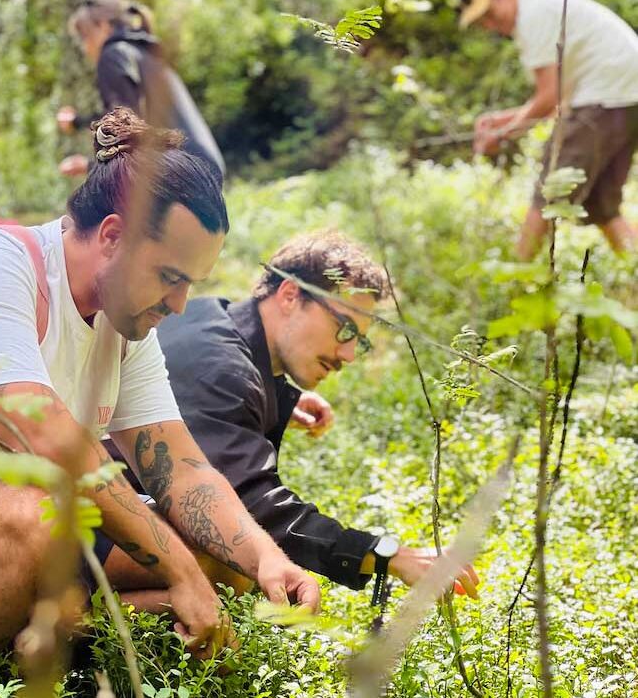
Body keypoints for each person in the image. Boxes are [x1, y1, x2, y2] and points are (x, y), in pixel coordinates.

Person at [0, 107, 318, 664]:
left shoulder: (125, 326)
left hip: (12, 536)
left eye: (190, 284)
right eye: (171, 277)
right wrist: (176, 573)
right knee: (42, 517)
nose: (178, 305)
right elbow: (54, 446)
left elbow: (180, 466)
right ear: (112, 236)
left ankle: (32, 629)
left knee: (220, 555)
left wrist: (266, 559)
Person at [150, 231, 479, 598]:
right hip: (90, 529)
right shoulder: (223, 371)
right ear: (290, 295)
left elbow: (201, 404)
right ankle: (82, 616)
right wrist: (388, 555)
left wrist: (277, 397)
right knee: (233, 567)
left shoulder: (209, 313)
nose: (349, 354)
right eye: (345, 329)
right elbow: (250, 509)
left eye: (361, 340)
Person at [455, 0, 638, 260]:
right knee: (602, 205)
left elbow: (548, 99)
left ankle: (516, 282)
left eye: (489, 13)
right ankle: (633, 273)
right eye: (481, 21)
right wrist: (500, 121)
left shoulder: (532, 18)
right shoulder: (538, 9)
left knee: (548, 190)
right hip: (624, 96)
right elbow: (555, 99)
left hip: (607, 95)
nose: (489, 25)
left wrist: (501, 134)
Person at [57, 0, 225, 179]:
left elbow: (125, 126)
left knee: (91, 205)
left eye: (84, 37)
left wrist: (88, 166)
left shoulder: (113, 55)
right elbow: (126, 118)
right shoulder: (141, 52)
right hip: (204, 171)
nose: (84, 48)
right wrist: (78, 122)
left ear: (103, 26)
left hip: (184, 177)